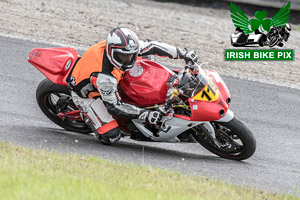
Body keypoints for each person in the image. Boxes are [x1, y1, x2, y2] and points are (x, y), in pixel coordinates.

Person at [69, 27, 198, 144]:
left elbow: (154, 46)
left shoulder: (125, 48)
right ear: (111, 52)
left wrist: (183, 54)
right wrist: (145, 114)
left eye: (132, 55)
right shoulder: (105, 78)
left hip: (115, 75)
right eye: (122, 56)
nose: (128, 59)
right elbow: (114, 107)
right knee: (111, 136)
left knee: (148, 54)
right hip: (87, 95)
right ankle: (85, 115)